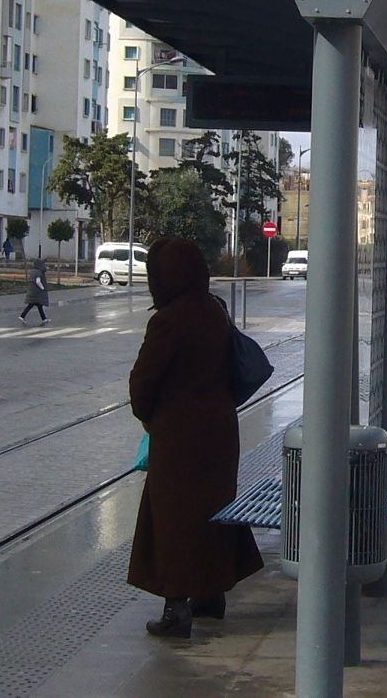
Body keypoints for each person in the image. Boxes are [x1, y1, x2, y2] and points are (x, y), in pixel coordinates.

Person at [127, 238, 264, 637]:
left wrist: (147, 416)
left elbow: (143, 381)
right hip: (220, 433)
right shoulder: (215, 311)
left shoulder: (168, 320)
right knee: (215, 512)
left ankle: (176, 607)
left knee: (173, 520)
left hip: (178, 437)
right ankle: (211, 594)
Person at [18, 258, 50, 324]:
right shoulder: (39, 272)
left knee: (38, 305)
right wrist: (42, 288)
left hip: (32, 291)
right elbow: (38, 281)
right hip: (36, 293)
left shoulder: (33, 271)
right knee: (33, 305)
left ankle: (44, 319)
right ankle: (22, 316)